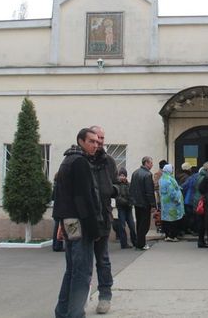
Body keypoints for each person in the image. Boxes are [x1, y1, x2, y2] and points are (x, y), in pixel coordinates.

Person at [53, 128, 109, 318]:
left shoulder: (67, 160)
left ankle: (62, 311)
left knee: (72, 269)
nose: (95, 145)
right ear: (81, 141)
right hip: (81, 223)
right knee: (82, 272)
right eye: (91, 141)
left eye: (97, 142)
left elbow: (61, 196)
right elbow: (84, 199)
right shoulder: (80, 162)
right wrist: (95, 229)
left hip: (70, 221)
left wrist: (60, 222)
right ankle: (75, 313)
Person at [88, 125, 118, 315]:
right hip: (83, 218)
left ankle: (105, 295)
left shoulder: (109, 161)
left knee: (103, 259)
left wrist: (110, 189)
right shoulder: (80, 160)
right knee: (81, 261)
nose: (100, 141)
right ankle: (81, 297)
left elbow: (116, 185)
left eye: (102, 138)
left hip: (103, 216)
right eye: (96, 138)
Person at [129, 156, 155, 250]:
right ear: (146, 163)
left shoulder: (135, 173)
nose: (152, 165)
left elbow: (131, 188)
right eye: (151, 163)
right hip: (144, 203)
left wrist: (132, 200)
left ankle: (138, 242)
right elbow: (149, 191)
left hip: (137, 203)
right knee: (144, 224)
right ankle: (141, 243)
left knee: (139, 223)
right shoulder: (148, 175)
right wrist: (153, 204)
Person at [159, 163, 185, 241]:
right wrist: (177, 199)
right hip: (172, 203)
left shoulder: (163, 178)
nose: (173, 170)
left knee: (166, 219)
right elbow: (171, 191)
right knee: (173, 219)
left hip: (165, 202)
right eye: (172, 169)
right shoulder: (168, 179)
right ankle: (172, 236)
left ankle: (167, 235)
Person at [115, 168, 136, 249]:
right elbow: (118, 197)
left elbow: (133, 194)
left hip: (129, 208)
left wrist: (132, 202)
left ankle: (135, 241)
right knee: (122, 226)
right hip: (121, 208)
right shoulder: (117, 185)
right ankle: (124, 244)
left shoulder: (129, 184)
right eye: (121, 175)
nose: (122, 177)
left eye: (123, 175)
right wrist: (127, 202)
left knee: (132, 225)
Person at [194, 161, 208, 248]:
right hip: (202, 202)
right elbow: (203, 189)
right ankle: (202, 241)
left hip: (197, 201)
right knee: (203, 222)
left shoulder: (198, 176)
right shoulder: (205, 177)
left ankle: (201, 240)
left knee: (200, 222)